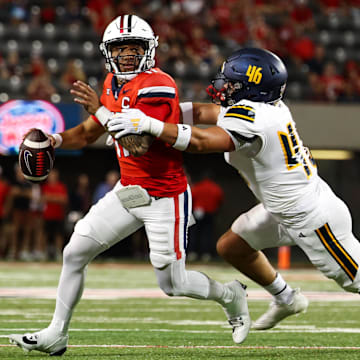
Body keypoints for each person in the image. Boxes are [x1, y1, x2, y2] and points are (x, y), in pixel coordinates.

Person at [9, 15, 250, 355]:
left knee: (173, 283)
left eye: (134, 48)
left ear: (148, 50)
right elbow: (91, 131)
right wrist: (55, 138)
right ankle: (56, 333)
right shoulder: (112, 83)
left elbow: (140, 144)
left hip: (166, 194)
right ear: (109, 52)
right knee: (75, 252)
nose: (126, 55)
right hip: (130, 189)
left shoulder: (159, 84)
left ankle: (231, 294)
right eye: (120, 49)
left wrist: (102, 111)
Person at [108, 47, 360, 330]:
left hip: (313, 218)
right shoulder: (260, 108)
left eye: (231, 82)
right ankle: (287, 298)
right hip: (282, 209)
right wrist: (148, 115)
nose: (223, 86)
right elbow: (203, 111)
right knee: (232, 246)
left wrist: (149, 125)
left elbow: (202, 142)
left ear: (251, 87)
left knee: (355, 283)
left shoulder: (255, 118)